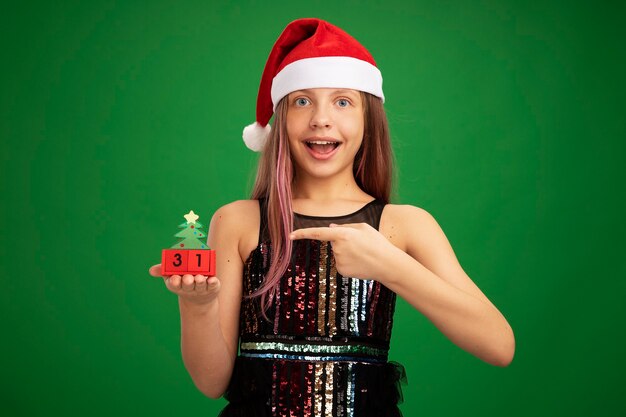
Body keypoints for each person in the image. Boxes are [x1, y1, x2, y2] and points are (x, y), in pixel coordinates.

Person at [149, 18, 515, 416]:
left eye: (342, 101)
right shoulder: (238, 221)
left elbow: (499, 346)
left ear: (367, 120)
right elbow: (211, 382)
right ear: (281, 120)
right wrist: (198, 306)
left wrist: (390, 266)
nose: (321, 118)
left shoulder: (405, 225)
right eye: (302, 101)